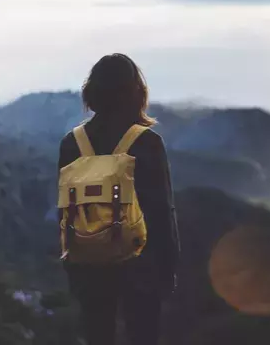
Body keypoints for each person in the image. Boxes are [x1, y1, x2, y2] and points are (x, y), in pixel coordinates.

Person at [57, 53, 180, 345]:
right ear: (136, 92)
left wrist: (71, 265)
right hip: (140, 264)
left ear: (92, 92)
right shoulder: (147, 142)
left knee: (98, 336)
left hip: (88, 263)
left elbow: (65, 210)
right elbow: (161, 211)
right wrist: (168, 269)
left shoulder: (72, 143)